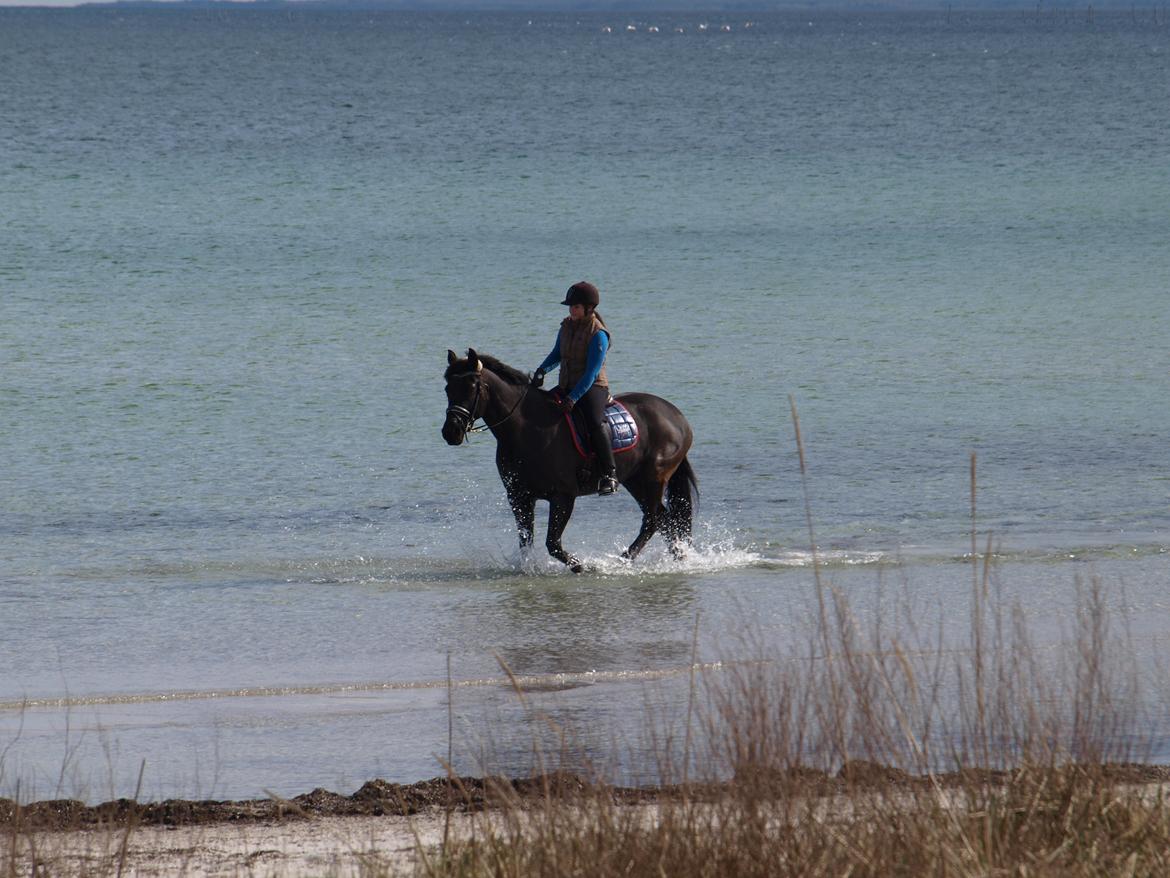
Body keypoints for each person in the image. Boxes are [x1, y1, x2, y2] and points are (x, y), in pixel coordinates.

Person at [531, 281, 619, 496]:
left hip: (592, 388)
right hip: (566, 385)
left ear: (589, 308)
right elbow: (556, 354)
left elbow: (591, 372)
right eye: (570, 306)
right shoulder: (566, 326)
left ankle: (609, 473)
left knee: (594, 421)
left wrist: (573, 398)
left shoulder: (599, 334)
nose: (572, 310)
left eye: (576, 307)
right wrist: (542, 370)